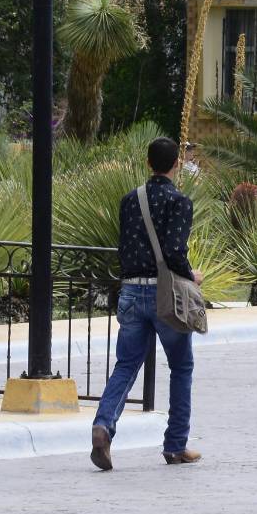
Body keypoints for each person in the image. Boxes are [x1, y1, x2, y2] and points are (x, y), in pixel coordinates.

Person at [91, 137, 203, 471]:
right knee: (181, 367)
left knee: (125, 365)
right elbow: (173, 251)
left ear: (148, 163)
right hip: (164, 296)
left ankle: (103, 426)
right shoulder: (179, 201)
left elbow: (125, 245)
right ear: (176, 165)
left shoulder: (129, 200)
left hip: (130, 291)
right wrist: (191, 276)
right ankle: (175, 445)